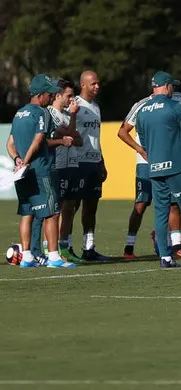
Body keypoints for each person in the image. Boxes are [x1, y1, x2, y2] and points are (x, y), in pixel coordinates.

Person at [135, 71, 181, 268]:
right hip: (177, 166)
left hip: (155, 169)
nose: (173, 89)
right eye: (172, 86)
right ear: (166, 86)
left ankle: (165, 258)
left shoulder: (142, 111)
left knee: (160, 212)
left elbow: (142, 139)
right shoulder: (175, 106)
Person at [7, 74, 76, 268]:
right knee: (52, 213)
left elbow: (10, 143)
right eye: (49, 94)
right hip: (39, 170)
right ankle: (54, 257)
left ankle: (27, 257)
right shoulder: (42, 113)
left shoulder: (19, 113)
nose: (51, 98)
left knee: (27, 213)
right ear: (41, 95)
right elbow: (38, 141)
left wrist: (17, 160)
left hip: (22, 173)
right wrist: (26, 161)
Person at [117, 85, 181, 260]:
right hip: (146, 163)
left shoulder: (179, 99)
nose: (172, 88)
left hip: (171, 160)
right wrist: (142, 151)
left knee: (174, 203)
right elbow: (122, 131)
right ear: (160, 87)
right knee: (141, 204)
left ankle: (176, 245)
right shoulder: (142, 104)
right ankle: (129, 246)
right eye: (170, 85)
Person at [74, 71, 110, 261]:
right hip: (78, 163)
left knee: (91, 207)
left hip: (94, 163)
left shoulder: (95, 107)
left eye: (98, 83)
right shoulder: (75, 105)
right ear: (83, 85)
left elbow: (96, 137)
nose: (97, 86)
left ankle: (89, 248)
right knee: (71, 207)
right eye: (93, 84)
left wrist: (101, 161)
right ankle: (65, 246)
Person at [47, 79, 83, 263]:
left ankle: (64, 245)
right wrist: (73, 121)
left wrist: (71, 132)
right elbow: (67, 134)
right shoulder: (51, 114)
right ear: (58, 95)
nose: (71, 100)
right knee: (57, 208)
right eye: (69, 96)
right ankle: (49, 247)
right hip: (58, 166)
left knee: (70, 207)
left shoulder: (68, 115)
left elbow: (78, 139)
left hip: (72, 164)